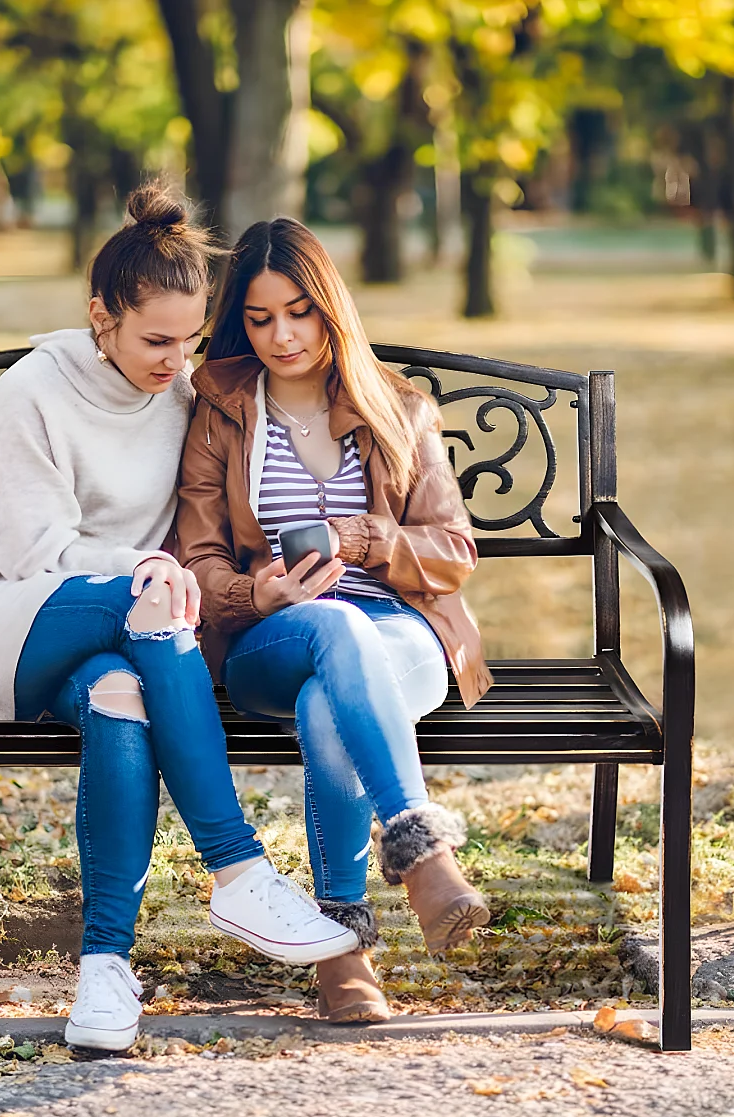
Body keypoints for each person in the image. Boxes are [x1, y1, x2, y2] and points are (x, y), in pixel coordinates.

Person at [0, 187, 357, 1052]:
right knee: (147, 602)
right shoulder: (31, 392)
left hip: (135, 632)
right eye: (156, 340)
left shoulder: (184, 396)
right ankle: (235, 867)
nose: (176, 361)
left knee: (121, 697)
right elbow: (37, 555)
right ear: (99, 317)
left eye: (190, 340)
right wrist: (145, 572)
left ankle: (105, 971)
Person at [175, 216, 495, 1024]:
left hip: (403, 634)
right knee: (331, 633)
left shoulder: (399, 408)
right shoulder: (220, 410)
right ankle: (423, 856)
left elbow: (454, 549)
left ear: (330, 308)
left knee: (334, 694)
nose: (281, 335)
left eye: (299, 312)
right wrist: (261, 594)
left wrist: (368, 541)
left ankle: (340, 947)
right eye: (259, 317)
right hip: (273, 637)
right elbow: (199, 557)